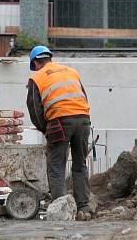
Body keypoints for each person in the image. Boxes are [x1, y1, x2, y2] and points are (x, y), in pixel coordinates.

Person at [26, 46, 92, 215]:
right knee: (80, 164)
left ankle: (59, 208)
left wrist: (45, 129)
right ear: (49, 58)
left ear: (35, 62)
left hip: (59, 121)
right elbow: (83, 95)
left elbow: (35, 110)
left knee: (56, 166)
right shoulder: (71, 71)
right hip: (83, 119)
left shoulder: (37, 77)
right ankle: (84, 207)